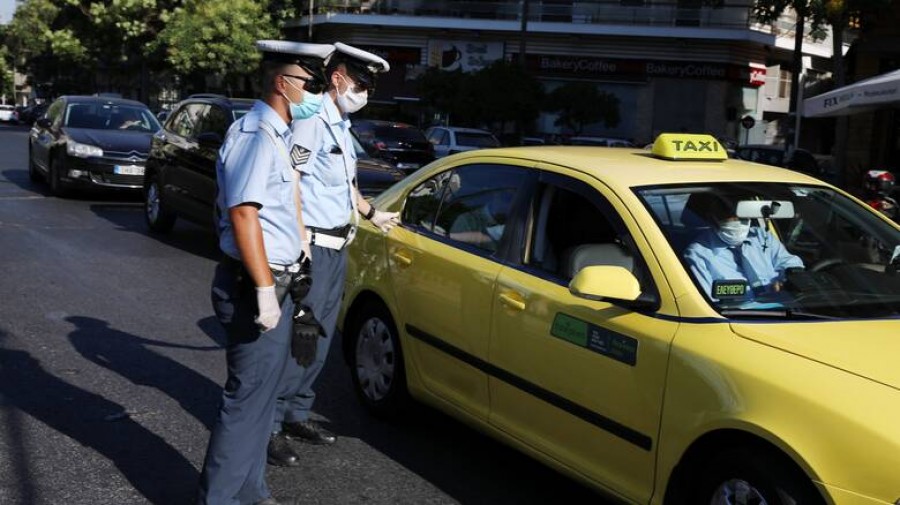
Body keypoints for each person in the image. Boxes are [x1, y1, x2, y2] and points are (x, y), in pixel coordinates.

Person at [197, 39, 335, 505]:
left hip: (281, 277)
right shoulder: (256, 133)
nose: (316, 92)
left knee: (260, 401)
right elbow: (243, 214)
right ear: (283, 83)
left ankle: (250, 491)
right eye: (310, 83)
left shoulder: (278, 134)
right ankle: (219, 499)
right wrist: (262, 290)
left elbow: (286, 197)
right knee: (246, 400)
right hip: (254, 281)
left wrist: (301, 254)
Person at [267, 42, 398, 466]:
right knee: (297, 339)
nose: (363, 94)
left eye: (369, 88)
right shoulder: (312, 122)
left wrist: (372, 212)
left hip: (338, 246)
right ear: (338, 78)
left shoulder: (340, 125)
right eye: (359, 83)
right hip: (315, 247)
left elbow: (343, 183)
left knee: (318, 340)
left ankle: (296, 413)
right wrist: (300, 240)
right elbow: (291, 180)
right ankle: (268, 426)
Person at [683, 194, 804, 301]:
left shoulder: (761, 236)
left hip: (785, 310)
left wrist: (787, 280)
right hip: (737, 318)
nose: (737, 219)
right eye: (729, 213)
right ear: (712, 217)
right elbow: (706, 303)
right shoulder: (697, 254)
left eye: (742, 214)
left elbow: (789, 263)